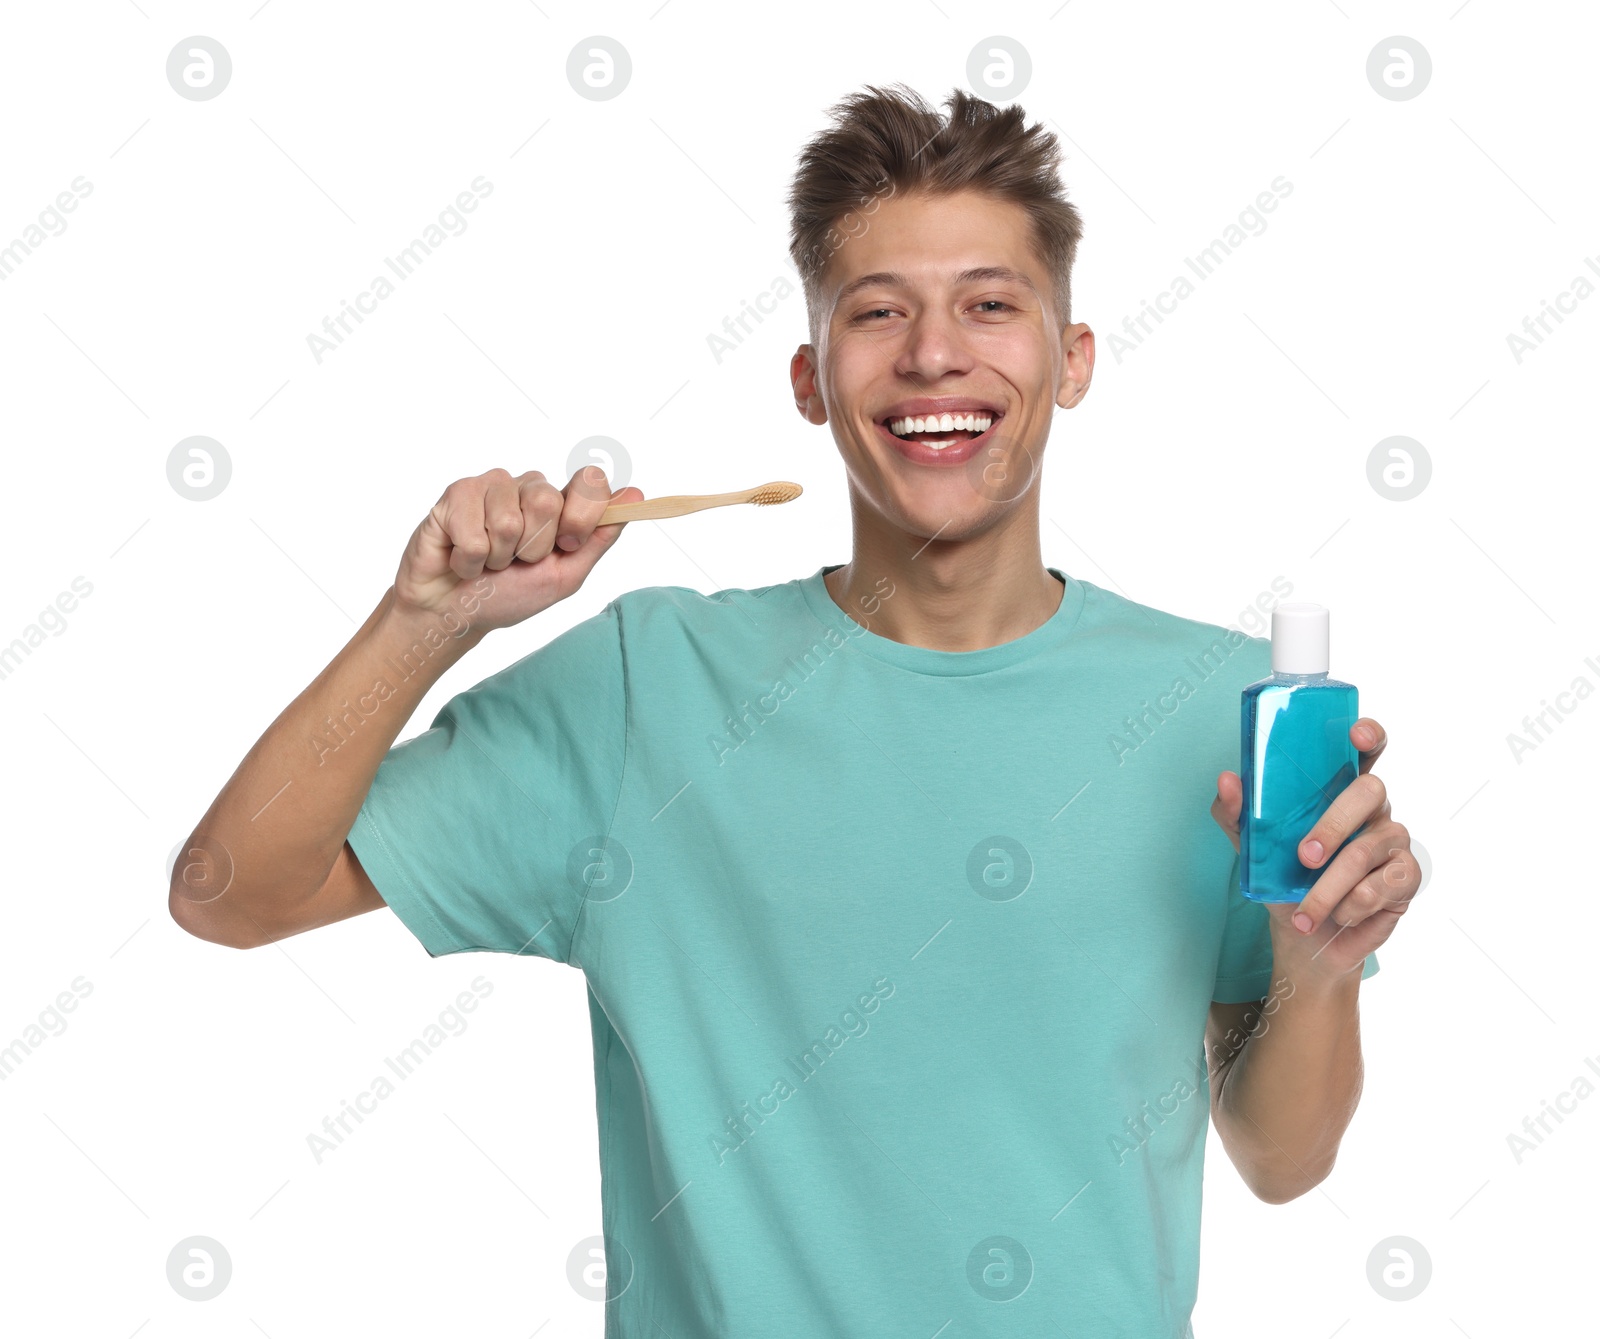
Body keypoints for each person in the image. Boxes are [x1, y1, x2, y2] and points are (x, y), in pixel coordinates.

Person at [171, 83, 1421, 1336]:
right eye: (877, 313)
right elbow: (231, 890)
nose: (934, 352)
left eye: (991, 304)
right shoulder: (642, 689)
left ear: (1073, 357)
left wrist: (1317, 973)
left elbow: (1281, 1158)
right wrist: (422, 626)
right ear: (810, 380)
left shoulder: (1216, 707)